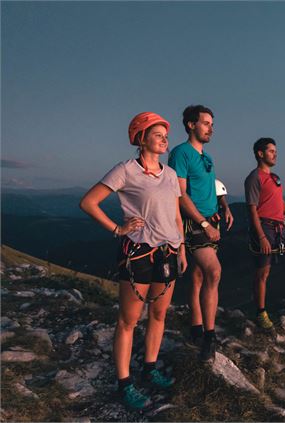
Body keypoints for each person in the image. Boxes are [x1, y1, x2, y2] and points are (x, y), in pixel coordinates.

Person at [79, 112, 186, 410]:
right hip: (138, 254)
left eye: (166, 134)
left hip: (168, 253)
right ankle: (124, 383)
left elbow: (176, 215)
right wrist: (117, 229)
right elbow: (88, 202)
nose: (165, 138)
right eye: (158, 134)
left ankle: (150, 368)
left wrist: (182, 249)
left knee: (159, 315)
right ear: (141, 138)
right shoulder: (125, 170)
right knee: (128, 320)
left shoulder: (169, 174)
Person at [168, 105, 233, 361]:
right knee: (213, 272)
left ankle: (195, 326)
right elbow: (181, 194)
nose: (211, 129)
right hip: (193, 223)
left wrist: (222, 208)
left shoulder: (207, 156)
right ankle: (209, 336)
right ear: (191, 125)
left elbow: (210, 187)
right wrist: (203, 224)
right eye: (206, 123)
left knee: (197, 276)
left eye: (212, 124)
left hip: (209, 219)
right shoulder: (180, 153)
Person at [244, 137, 285, 330]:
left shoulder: (274, 178)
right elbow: (252, 209)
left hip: (281, 228)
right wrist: (261, 236)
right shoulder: (254, 177)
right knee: (263, 273)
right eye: (271, 151)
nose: (275, 154)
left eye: (275, 151)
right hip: (264, 227)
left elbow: (280, 202)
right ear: (260, 154)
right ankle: (260, 313)